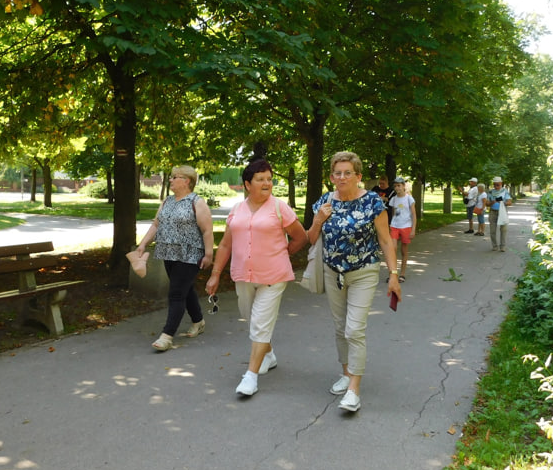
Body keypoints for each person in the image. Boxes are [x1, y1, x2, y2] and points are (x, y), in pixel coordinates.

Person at [307, 151, 402, 413]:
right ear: (331, 177)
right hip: (332, 272)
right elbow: (310, 238)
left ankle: (354, 390)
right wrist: (318, 220)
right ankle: (346, 373)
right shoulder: (325, 201)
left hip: (364, 271)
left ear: (358, 176)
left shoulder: (372, 202)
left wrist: (393, 275)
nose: (342, 177)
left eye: (348, 172)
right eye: (337, 173)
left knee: (354, 330)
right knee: (340, 328)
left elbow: (385, 239)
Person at [206, 159, 307, 397]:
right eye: (261, 179)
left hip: (274, 275)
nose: (267, 183)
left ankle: (250, 377)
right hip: (243, 275)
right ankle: (268, 354)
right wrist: (215, 275)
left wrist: (284, 253)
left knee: (260, 323)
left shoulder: (280, 208)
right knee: (251, 318)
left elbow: (300, 236)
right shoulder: (236, 210)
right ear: (247, 184)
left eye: (270, 179)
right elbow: (225, 245)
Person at [133, 166, 215, 351]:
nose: (170, 180)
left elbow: (207, 230)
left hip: (190, 253)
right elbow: (156, 224)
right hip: (168, 252)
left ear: (187, 181)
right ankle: (198, 321)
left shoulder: (197, 202)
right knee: (185, 289)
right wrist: (143, 244)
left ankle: (167, 336)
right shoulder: (167, 201)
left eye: (174, 177)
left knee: (176, 293)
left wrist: (209, 254)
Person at [388, 177, 416, 282]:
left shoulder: (409, 199)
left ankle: (402, 274)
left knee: (404, 251)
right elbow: (393, 213)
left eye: (399, 185)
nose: (397, 188)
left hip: (406, 226)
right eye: (395, 186)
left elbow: (414, 215)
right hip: (395, 226)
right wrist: (391, 224)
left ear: (404, 186)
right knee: (392, 249)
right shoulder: (393, 199)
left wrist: (413, 229)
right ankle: (392, 273)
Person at [485, 176, 512, 251]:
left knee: (503, 229)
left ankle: (502, 246)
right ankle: (494, 246)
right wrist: (491, 202)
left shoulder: (505, 191)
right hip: (493, 212)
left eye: (498, 185)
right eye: (495, 185)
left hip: (502, 212)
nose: (496, 186)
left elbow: (510, 202)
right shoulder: (490, 192)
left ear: (501, 184)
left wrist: (503, 202)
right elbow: (486, 203)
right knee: (492, 230)